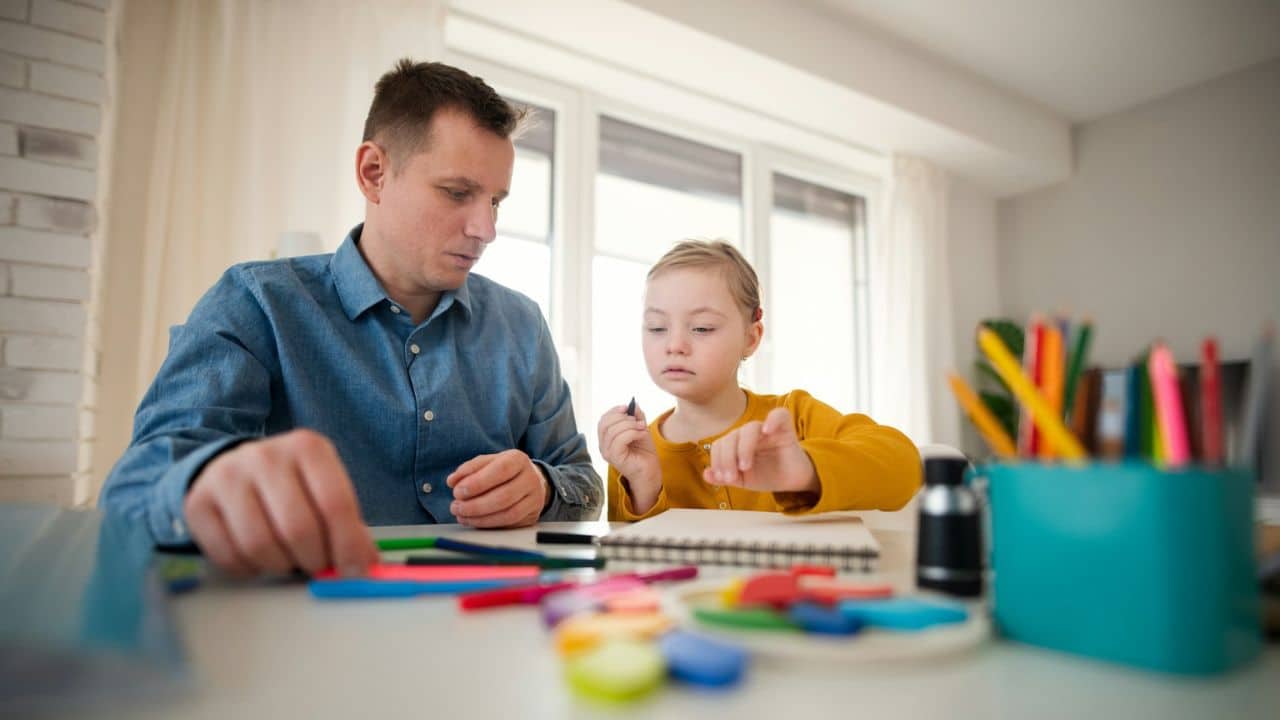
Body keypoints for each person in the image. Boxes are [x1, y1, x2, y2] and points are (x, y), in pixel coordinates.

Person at [101, 59, 602, 577]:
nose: (486, 229)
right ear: (374, 173)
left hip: (494, 620)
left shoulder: (522, 325)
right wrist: (204, 481)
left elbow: (584, 484)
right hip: (309, 625)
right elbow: (133, 490)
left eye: (495, 201)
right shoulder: (256, 303)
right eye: (457, 193)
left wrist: (542, 488)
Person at [598, 240, 920, 520]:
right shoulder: (633, 450)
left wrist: (805, 469)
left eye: (702, 328)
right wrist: (644, 487)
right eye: (657, 327)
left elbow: (906, 468)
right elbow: (628, 575)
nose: (674, 345)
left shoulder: (795, 417)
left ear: (751, 338)